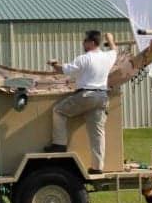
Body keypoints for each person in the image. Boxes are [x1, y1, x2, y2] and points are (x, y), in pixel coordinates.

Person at [44, 30, 117, 175]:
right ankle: (97, 168)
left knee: (58, 111)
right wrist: (111, 38)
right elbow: (115, 50)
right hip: (102, 97)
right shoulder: (108, 57)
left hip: (86, 95)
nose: (83, 43)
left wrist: (54, 64)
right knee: (97, 134)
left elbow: (64, 70)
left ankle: (59, 144)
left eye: (85, 41)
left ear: (91, 43)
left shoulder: (84, 58)